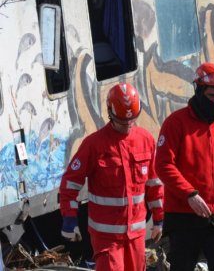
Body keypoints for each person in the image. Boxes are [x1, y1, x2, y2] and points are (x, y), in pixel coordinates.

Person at [59, 83, 163, 271]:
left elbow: (154, 183)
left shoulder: (145, 140)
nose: (127, 126)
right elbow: (70, 184)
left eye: (131, 121)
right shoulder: (94, 145)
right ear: (110, 113)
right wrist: (69, 219)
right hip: (106, 238)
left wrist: (159, 219)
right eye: (122, 122)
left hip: (136, 235)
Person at [155, 62, 214, 271]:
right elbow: (163, 165)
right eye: (211, 95)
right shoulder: (175, 123)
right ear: (199, 91)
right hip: (183, 217)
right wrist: (189, 194)